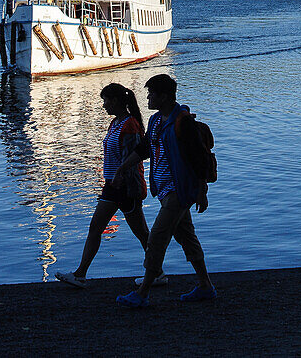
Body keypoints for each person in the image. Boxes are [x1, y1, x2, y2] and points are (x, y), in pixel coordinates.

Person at [113, 73, 215, 308]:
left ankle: (143, 291)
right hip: (164, 190)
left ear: (165, 96)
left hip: (179, 190)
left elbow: (199, 157)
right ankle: (205, 286)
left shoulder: (182, 121)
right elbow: (145, 148)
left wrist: (202, 190)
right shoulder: (157, 121)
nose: (147, 97)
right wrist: (123, 167)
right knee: (186, 236)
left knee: (157, 238)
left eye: (151, 93)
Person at [55, 83, 152, 288]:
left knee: (139, 232)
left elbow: (133, 158)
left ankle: (156, 271)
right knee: (100, 228)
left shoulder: (130, 125)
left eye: (105, 101)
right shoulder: (115, 123)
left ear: (115, 101)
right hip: (111, 185)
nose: (104, 105)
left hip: (124, 187)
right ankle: (81, 273)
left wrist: (123, 179)